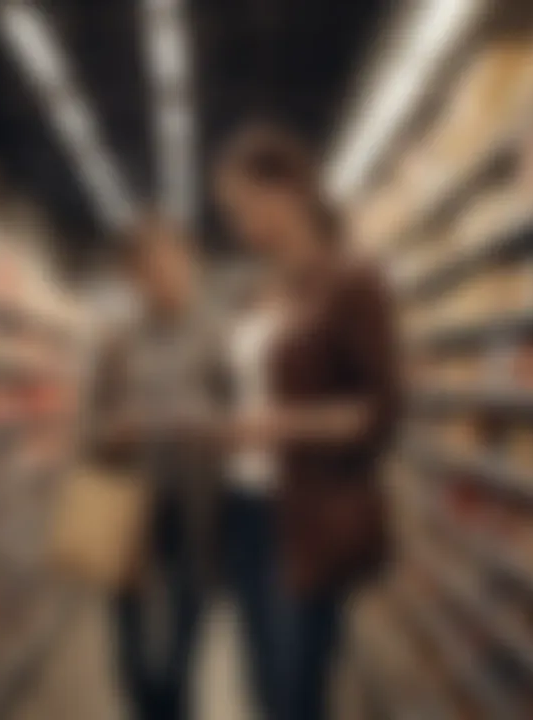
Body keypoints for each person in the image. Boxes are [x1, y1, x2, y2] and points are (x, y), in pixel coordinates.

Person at [213, 123, 401, 720]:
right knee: (264, 688)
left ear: (288, 190)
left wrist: (282, 424)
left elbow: (380, 412)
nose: (238, 225)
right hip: (244, 510)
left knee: (297, 695)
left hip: (305, 516)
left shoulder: (352, 280)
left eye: (243, 206)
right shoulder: (256, 292)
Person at [94, 213, 223, 720]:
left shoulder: (215, 336)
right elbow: (89, 427)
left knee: (182, 658)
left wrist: (208, 425)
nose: (168, 274)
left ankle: (174, 706)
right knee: (131, 655)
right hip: (128, 511)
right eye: (152, 266)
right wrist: (115, 431)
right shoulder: (116, 343)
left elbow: (238, 413)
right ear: (133, 277)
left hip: (194, 510)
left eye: (176, 261)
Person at [223, 274, 284, 719]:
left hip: (241, 485)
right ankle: (276, 694)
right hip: (285, 488)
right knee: (282, 603)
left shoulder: (235, 338)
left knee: (252, 604)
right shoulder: (289, 330)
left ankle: (261, 692)